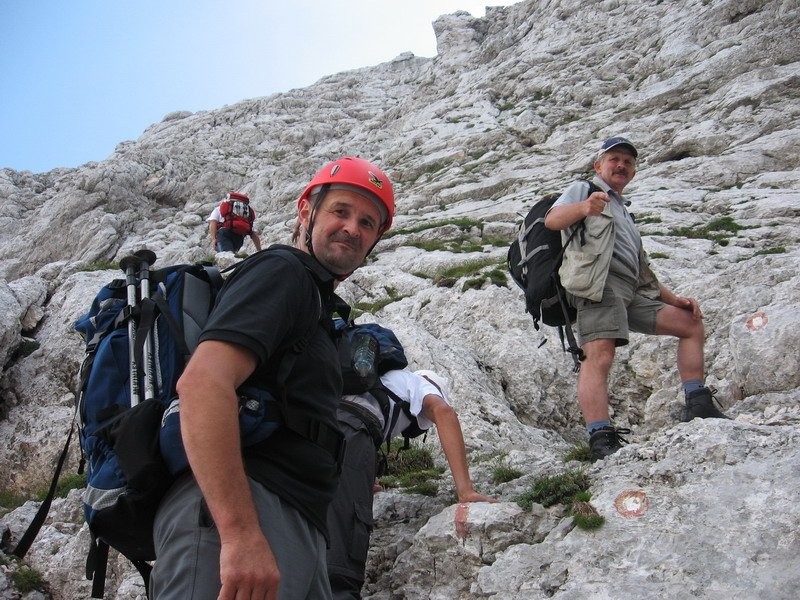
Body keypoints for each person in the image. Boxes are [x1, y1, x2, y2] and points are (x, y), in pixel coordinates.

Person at [150, 157, 395, 600]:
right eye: (340, 211)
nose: (352, 229)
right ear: (306, 212)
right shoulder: (284, 271)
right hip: (248, 508)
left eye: (367, 223)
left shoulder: (316, 301)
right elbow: (203, 384)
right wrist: (240, 533)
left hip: (298, 519)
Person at [544, 137, 728, 463]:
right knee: (598, 356)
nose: (621, 165)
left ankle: (698, 404)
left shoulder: (624, 212)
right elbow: (552, 219)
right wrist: (585, 207)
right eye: (614, 159)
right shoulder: (585, 189)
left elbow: (641, 270)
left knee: (689, 324)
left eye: (628, 162)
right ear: (598, 166)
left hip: (629, 292)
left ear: (633, 171)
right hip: (598, 287)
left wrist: (676, 300)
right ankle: (600, 438)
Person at [327, 368, 498, 599]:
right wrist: (465, 490)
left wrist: (363, 480)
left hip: (316, 430)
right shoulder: (420, 382)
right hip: (350, 432)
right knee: (343, 551)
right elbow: (443, 412)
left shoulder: (378, 385)